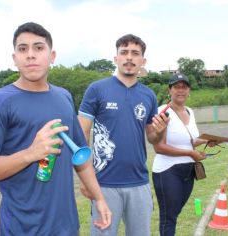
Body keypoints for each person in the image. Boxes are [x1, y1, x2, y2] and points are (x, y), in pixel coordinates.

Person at [0, 22, 111, 235]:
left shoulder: (63, 97)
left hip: (66, 226)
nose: (30, 55)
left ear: (52, 56)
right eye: (22, 49)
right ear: (15, 58)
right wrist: (31, 153)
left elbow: (80, 156)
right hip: (22, 227)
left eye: (38, 47)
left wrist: (99, 197)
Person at [78, 34, 168, 235]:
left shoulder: (148, 95)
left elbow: (152, 138)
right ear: (115, 58)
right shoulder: (97, 89)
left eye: (135, 53)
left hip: (139, 183)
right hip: (104, 185)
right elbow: (81, 135)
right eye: (124, 52)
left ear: (142, 61)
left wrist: (159, 132)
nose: (129, 58)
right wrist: (85, 180)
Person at [152, 73, 210, 236]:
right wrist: (191, 153)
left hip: (188, 171)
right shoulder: (162, 112)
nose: (180, 90)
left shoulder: (190, 111)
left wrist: (207, 141)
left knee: (174, 214)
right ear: (169, 90)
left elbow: (190, 140)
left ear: (189, 90)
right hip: (168, 171)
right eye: (176, 87)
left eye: (184, 87)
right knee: (168, 218)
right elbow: (159, 147)